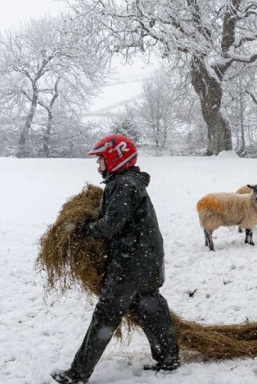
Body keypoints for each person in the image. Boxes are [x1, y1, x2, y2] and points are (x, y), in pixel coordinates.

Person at [52, 134, 180, 384]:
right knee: (151, 308)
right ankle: (169, 358)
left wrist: (86, 229)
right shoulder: (132, 182)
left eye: (100, 160)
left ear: (115, 159)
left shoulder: (121, 185)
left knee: (105, 316)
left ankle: (77, 375)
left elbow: (112, 224)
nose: (98, 165)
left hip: (129, 264)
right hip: (149, 260)